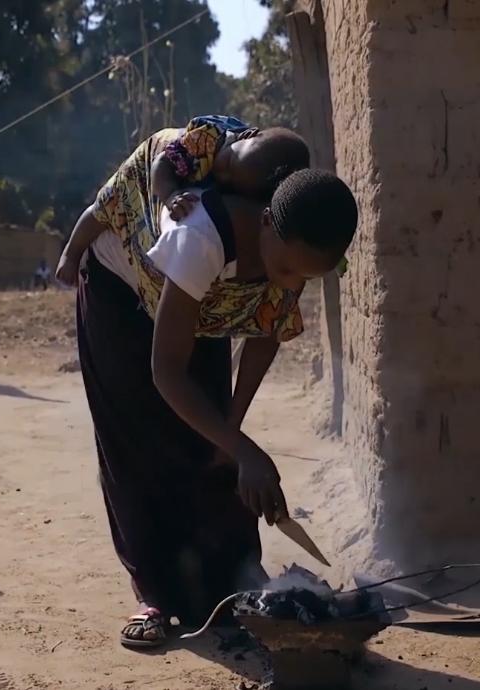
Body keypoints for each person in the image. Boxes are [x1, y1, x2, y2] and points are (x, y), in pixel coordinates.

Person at [68, 131, 358, 649]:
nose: (293, 282)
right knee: (138, 449)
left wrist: (233, 437)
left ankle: (233, 587)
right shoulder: (199, 235)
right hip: (123, 291)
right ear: (266, 220)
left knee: (210, 446)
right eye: (289, 268)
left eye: (306, 277)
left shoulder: (291, 250)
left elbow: (268, 331)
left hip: (202, 305)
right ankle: (154, 595)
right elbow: (166, 372)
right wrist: (243, 449)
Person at [54, 115, 309, 286]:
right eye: (229, 163)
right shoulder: (208, 139)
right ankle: (72, 251)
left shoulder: (248, 183)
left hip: (194, 184)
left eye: (230, 180)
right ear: (248, 136)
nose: (222, 171)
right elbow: (161, 164)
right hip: (163, 164)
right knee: (110, 201)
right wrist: (171, 195)